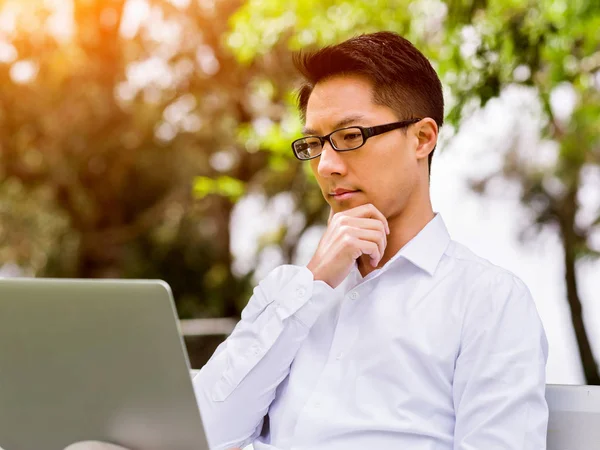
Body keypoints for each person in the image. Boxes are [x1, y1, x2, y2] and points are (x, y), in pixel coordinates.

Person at [193, 31, 549, 450]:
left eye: (350, 137)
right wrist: (314, 283)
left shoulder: (487, 300)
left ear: (422, 138)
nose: (326, 166)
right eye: (314, 144)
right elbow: (201, 436)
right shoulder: (289, 293)